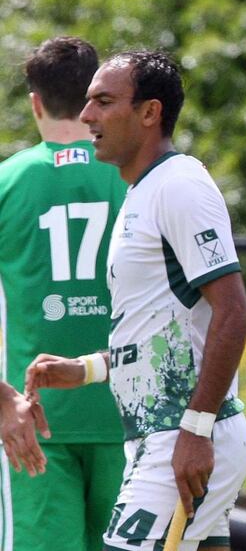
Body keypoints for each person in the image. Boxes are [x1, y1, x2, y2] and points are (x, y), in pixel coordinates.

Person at [25, 50, 246, 551]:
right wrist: (84, 369)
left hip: (181, 440)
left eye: (104, 102)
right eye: (88, 101)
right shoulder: (141, 191)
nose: (87, 115)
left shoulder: (179, 185)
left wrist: (196, 431)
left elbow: (235, 312)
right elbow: (164, 334)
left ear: (150, 112)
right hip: (169, 439)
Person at [0, 36, 127, 551]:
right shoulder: (135, 176)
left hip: (33, 418)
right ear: (92, 99)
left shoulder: (7, 181)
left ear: (36, 102)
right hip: (129, 417)